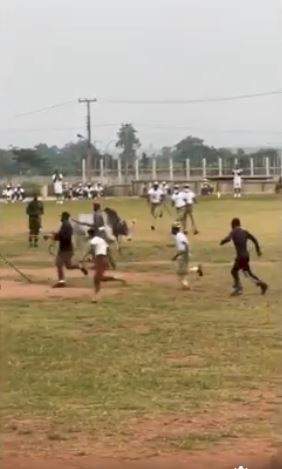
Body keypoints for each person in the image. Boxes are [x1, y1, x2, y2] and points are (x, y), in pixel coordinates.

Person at [220, 217, 268, 296]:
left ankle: (239, 288)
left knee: (236, 272)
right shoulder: (244, 231)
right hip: (245, 256)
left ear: (233, 225)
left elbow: (228, 239)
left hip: (241, 257)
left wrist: (222, 242)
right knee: (247, 273)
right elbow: (254, 240)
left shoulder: (233, 231)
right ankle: (261, 285)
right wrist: (258, 250)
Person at [84, 227, 126, 303]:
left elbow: (92, 250)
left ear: (90, 234)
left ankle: (117, 278)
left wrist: (90, 258)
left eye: (88, 235)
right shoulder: (101, 240)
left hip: (100, 259)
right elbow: (107, 249)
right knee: (97, 279)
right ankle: (96, 297)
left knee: (98, 278)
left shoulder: (93, 240)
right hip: (103, 258)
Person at [50, 212, 88, 288]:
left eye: (61, 217)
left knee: (58, 263)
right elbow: (62, 235)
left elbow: (64, 237)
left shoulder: (65, 225)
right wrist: (54, 235)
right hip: (67, 249)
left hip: (65, 249)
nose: (60, 218)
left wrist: (55, 236)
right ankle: (79, 266)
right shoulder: (66, 225)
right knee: (69, 266)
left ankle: (61, 281)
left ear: (64, 217)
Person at [171, 222, 203, 290]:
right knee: (182, 271)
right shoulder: (179, 235)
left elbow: (185, 245)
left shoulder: (179, 236)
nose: (171, 230)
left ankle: (186, 285)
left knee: (181, 273)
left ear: (175, 229)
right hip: (184, 254)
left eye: (172, 229)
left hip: (183, 255)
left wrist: (176, 256)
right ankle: (197, 269)